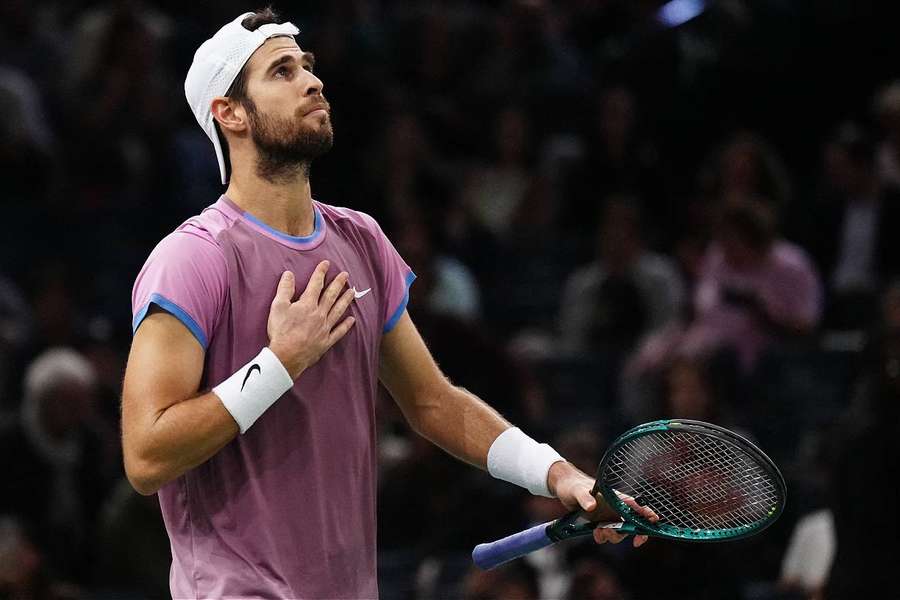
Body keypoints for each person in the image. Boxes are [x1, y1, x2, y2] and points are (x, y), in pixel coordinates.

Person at [120, 10, 656, 599]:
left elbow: (432, 402)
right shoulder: (194, 258)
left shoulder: (362, 241)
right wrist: (278, 365)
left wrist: (558, 474)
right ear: (231, 113)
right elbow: (146, 455)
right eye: (282, 71)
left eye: (308, 67)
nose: (312, 81)